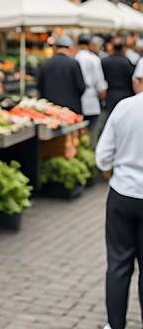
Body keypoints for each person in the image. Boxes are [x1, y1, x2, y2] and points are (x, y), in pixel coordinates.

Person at [96, 60, 143, 329]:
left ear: (138, 81)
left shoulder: (124, 108)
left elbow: (102, 158)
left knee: (118, 264)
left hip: (122, 194)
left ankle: (115, 325)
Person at [36, 35, 86, 114]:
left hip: (50, 108)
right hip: (71, 108)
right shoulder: (73, 63)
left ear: (55, 48)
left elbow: (39, 86)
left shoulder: (45, 63)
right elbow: (81, 87)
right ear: (70, 48)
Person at [75, 34, 107, 145]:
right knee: (91, 130)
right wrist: (102, 93)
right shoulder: (94, 58)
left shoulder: (74, 57)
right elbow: (99, 80)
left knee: (77, 131)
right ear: (89, 45)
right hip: (91, 95)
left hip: (77, 97)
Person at [101, 36, 135, 116]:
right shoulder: (127, 62)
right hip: (126, 95)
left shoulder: (104, 61)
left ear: (112, 47)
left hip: (110, 94)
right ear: (123, 48)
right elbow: (132, 78)